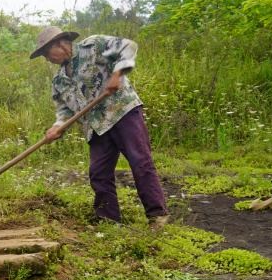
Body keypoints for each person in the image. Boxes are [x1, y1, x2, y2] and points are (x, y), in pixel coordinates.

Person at [32, 26, 169, 228]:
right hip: (96, 126)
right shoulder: (59, 80)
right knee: (99, 173)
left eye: (46, 53)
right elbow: (64, 110)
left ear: (60, 43)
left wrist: (117, 74)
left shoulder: (93, 46)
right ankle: (108, 220)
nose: (47, 58)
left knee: (140, 161)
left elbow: (128, 47)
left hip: (122, 112)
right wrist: (58, 126)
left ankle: (157, 215)